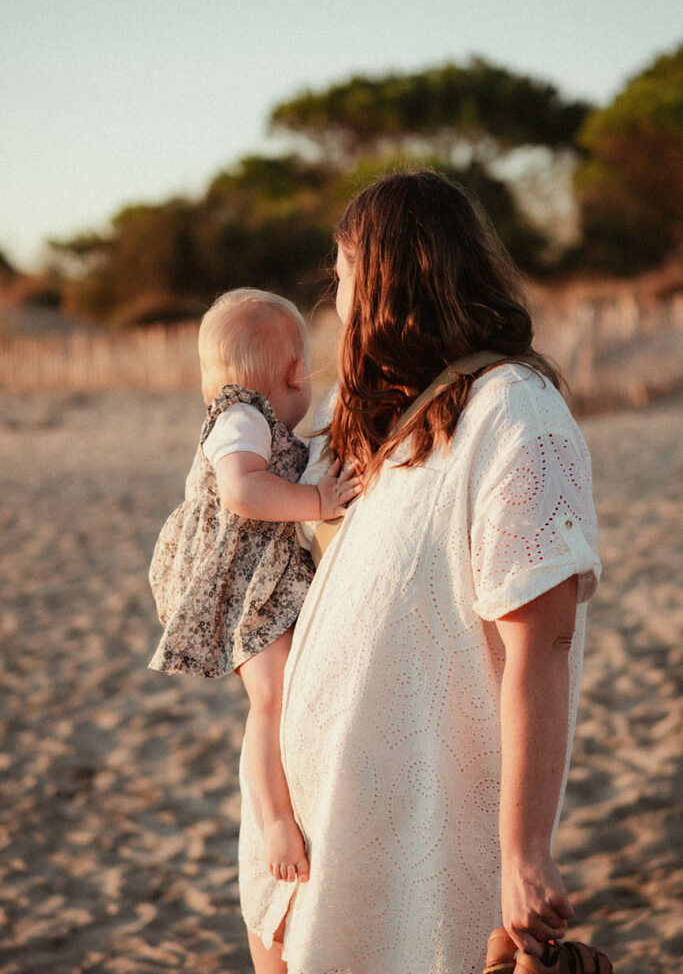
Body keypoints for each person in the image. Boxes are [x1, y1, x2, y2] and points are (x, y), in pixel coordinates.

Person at [238, 172, 601, 974]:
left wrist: (524, 853)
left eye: (341, 278)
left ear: (384, 278)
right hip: (319, 844)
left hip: (420, 861)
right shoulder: (387, 414)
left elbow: (540, 643)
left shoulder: (513, 414)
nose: (335, 306)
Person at [148, 288, 359, 897]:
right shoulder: (241, 417)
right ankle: (274, 823)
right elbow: (242, 492)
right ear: (295, 374)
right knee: (273, 694)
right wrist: (318, 501)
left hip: (253, 577)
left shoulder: (250, 417)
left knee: (283, 687)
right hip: (232, 584)